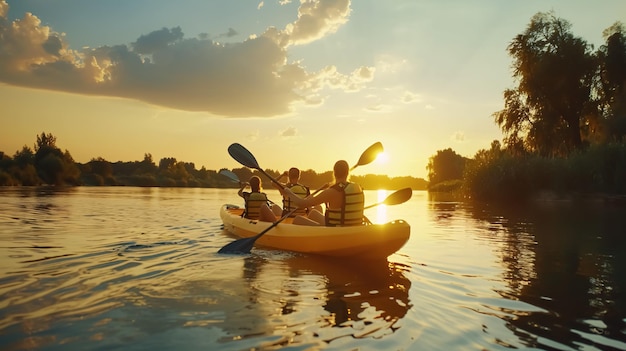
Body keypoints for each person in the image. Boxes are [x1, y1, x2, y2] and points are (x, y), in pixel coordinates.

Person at [280, 160, 364, 226]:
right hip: (355, 226)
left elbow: (302, 204)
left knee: (298, 219)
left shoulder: (332, 192)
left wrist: (289, 192)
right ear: (347, 173)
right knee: (313, 213)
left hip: (335, 230)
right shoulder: (358, 187)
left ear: (334, 173)